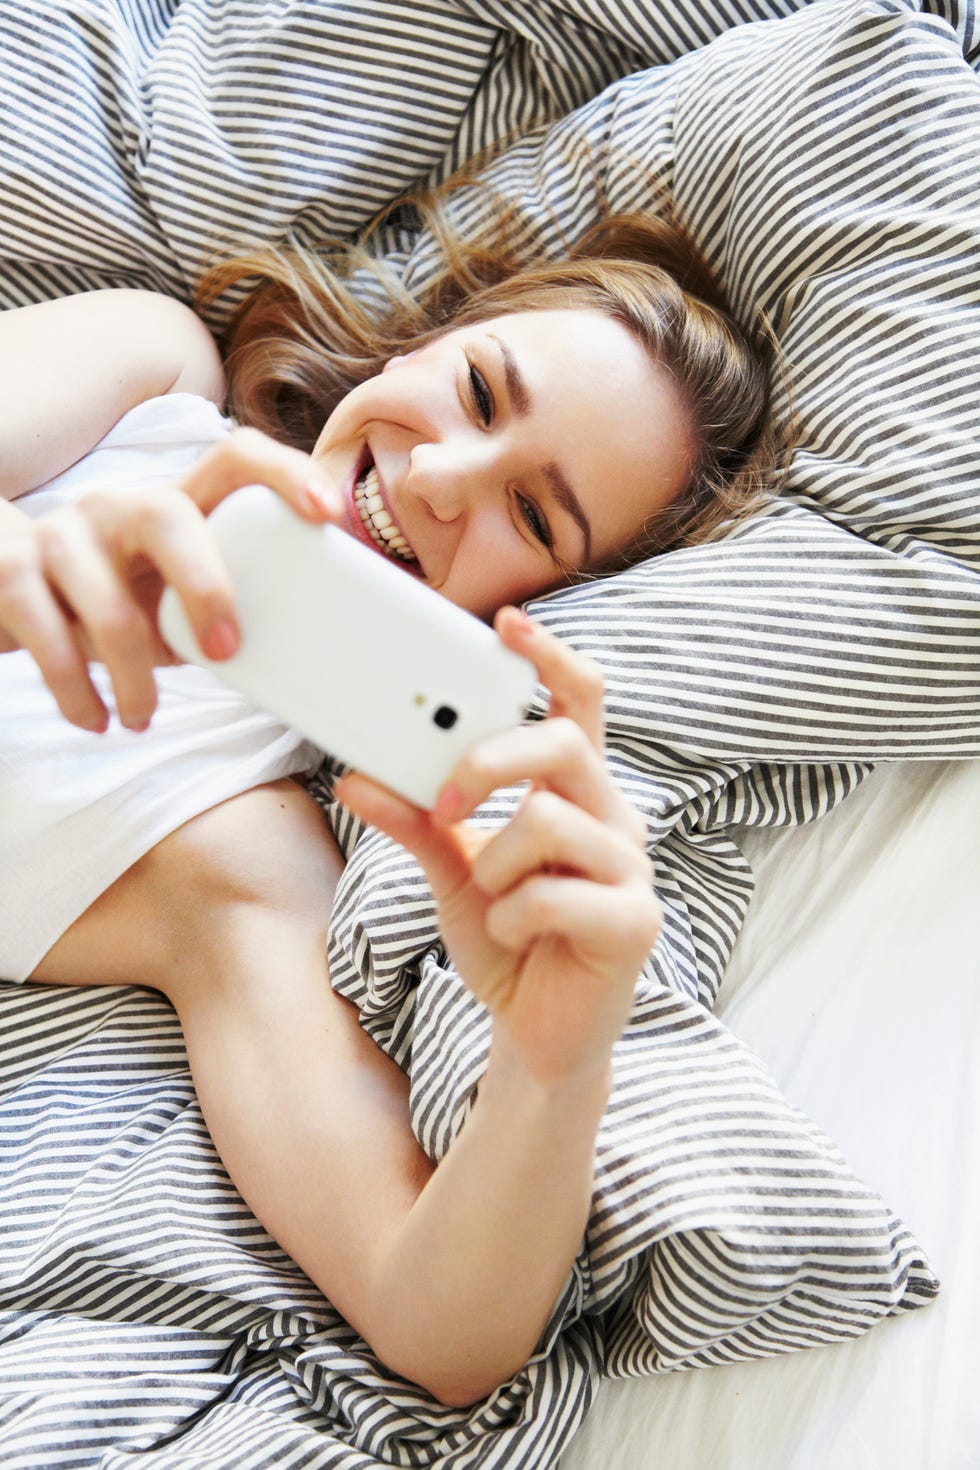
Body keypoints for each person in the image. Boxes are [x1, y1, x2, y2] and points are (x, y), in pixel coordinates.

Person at [0, 202, 778, 1406]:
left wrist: (552, 1065)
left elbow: (434, 1321)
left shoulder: (238, 850)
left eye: (531, 516)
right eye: (476, 389)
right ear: (423, 340)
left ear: (536, 616)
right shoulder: (152, 371)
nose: (440, 481)